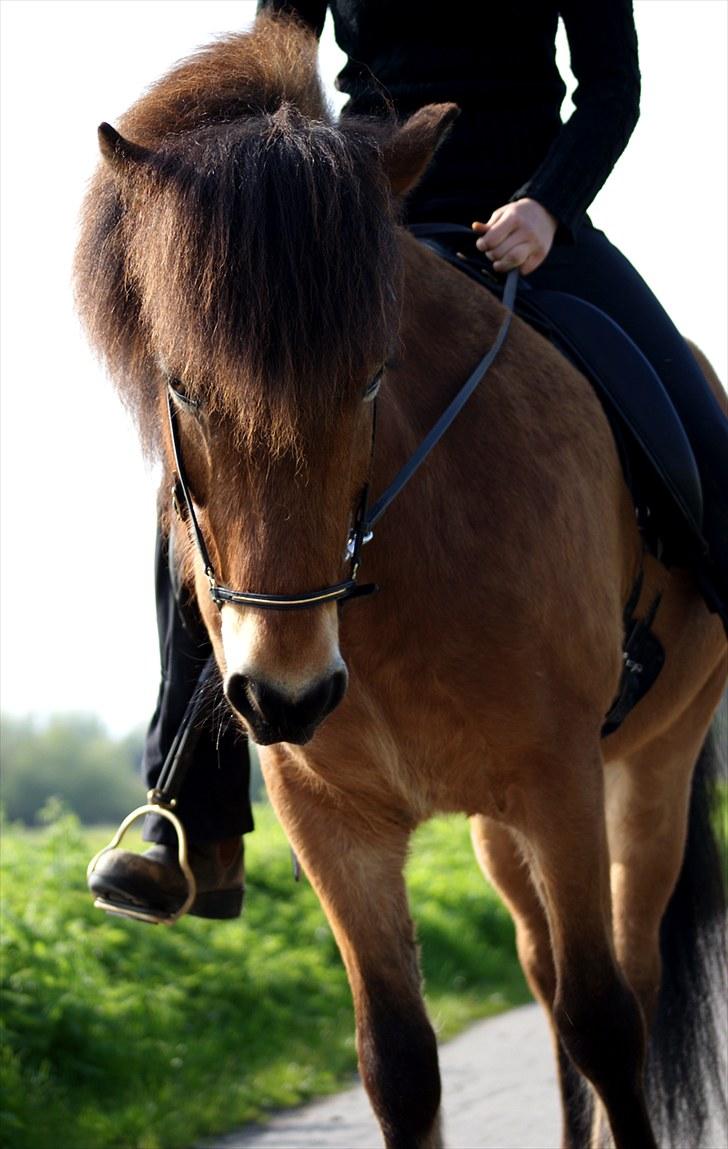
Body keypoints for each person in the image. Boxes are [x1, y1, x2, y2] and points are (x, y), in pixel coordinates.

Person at [88, 0, 728, 922]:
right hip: (353, 225)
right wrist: (288, 206)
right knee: (201, 487)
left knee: (704, 436)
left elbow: (611, 91)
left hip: (529, 219)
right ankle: (190, 815)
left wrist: (548, 205)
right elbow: (278, 67)